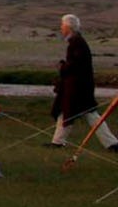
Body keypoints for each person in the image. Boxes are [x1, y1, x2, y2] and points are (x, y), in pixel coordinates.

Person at [50, 14, 118, 150]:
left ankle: (112, 144)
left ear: (68, 27)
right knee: (68, 112)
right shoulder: (76, 41)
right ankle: (57, 141)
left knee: (85, 114)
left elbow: (75, 65)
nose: (61, 28)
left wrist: (62, 66)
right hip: (78, 86)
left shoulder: (77, 43)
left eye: (62, 25)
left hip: (78, 87)